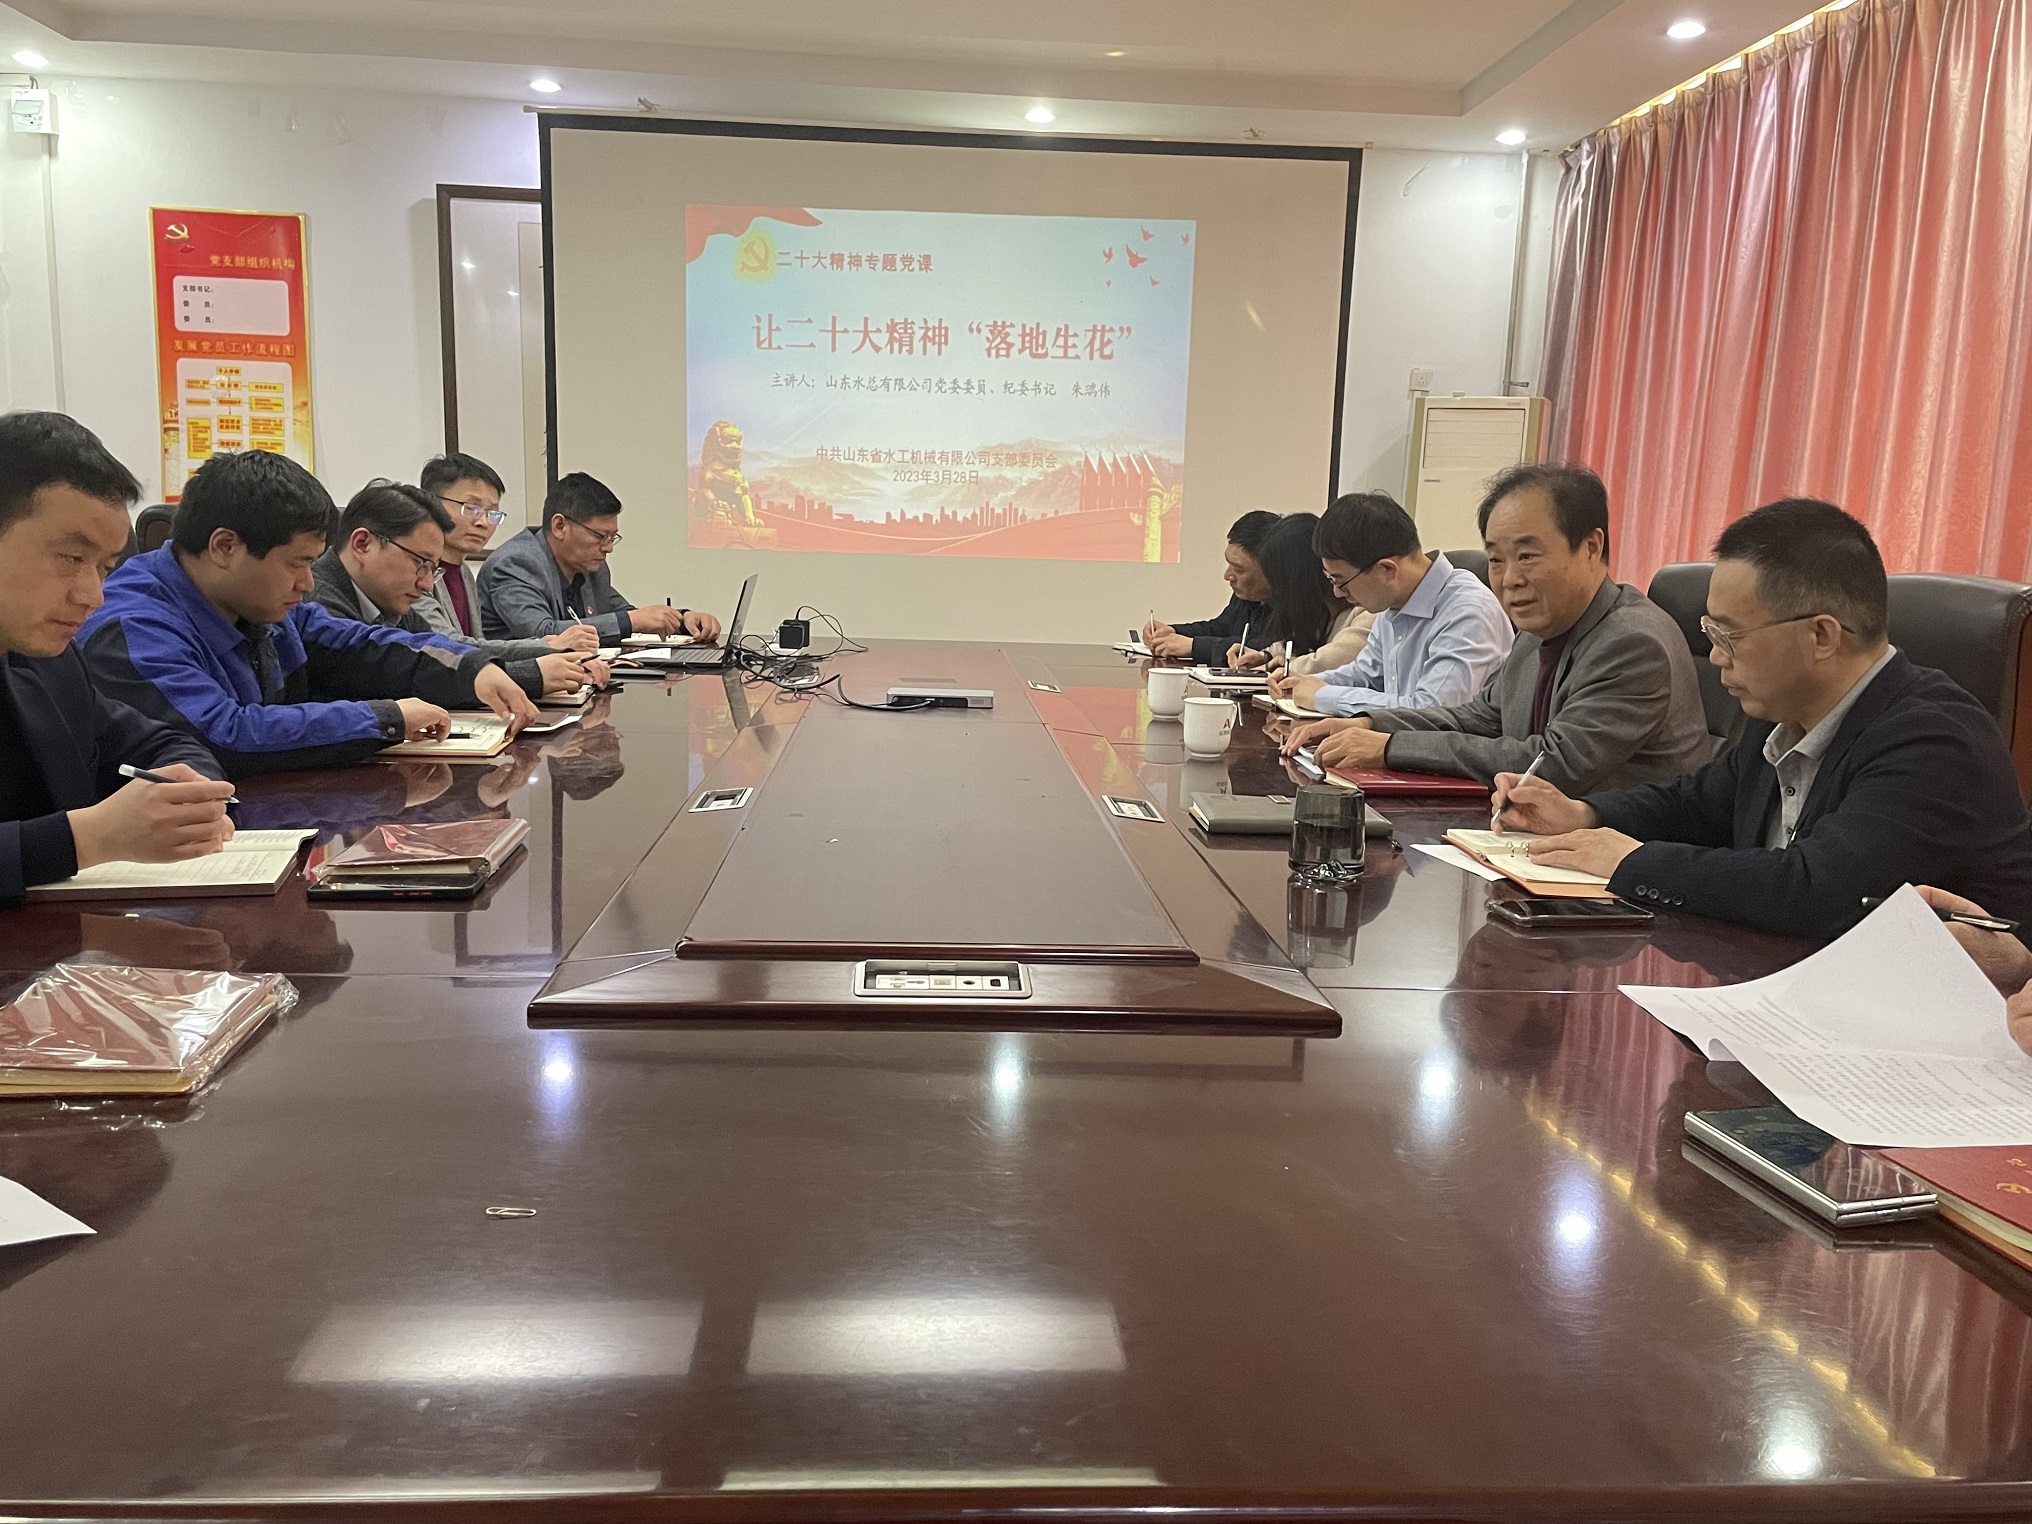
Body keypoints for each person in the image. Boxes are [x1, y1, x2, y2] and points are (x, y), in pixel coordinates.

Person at [1489, 498, 2032, 943]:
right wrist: (1583, 813)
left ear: (1822, 635)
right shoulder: (1782, 714)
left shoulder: (1934, 741)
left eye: (1728, 636)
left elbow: (1817, 891)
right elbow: (1697, 805)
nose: (1715, 656)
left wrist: (1632, 861)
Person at [80, 449, 536, 779]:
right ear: (225, 547)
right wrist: (382, 718)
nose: (308, 583)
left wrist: (472, 669)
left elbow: (359, 643)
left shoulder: (260, 606)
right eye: (297, 563)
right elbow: (224, 735)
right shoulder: (133, 626)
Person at [1284, 464, 1710, 791]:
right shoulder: (1537, 631)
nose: (1509, 579)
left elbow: (1553, 762)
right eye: (1496, 560)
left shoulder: (1631, 641)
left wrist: (1391, 746)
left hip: (1621, 856)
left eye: (1526, 556)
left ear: (1590, 547)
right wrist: (1369, 725)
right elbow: (1479, 717)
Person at [0, 411, 235, 902]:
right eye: (71, 558)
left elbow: (160, 744)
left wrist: (189, 797)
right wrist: (88, 838)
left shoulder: (49, 661)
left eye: (105, 567)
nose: (93, 596)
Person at [310, 480, 605, 698]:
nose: (427, 584)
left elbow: (440, 649)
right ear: (363, 544)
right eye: (420, 563)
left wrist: (558, 659)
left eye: (432, 568)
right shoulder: (316, 601)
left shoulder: (390, 602)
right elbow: (393, 675)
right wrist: (528, 674)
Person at [1270, 492, 1512, 715]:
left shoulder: (1468, 611)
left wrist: (1323, 696)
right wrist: (1304, 683)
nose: (1337, 593)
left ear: (1387, 569)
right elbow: (1365, 674)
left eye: (1341, 581)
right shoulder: (1395, 603)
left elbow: (1434, 711)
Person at [477, 471, 721, 644]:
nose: (608, 548)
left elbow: (624, 614)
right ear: (560, 526)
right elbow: (542, 634)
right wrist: (632, 620)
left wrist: (684, 620)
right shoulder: (516, 563)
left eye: (613, 537)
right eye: (600, 536)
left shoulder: (591, 568)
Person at [415, 452, 599, 657]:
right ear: (432, 504)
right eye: (472, 508)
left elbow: (478, 647)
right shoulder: (416, 571)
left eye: (492, 513)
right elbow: (447, 645)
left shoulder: (464, 572)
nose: (483, 522)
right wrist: (547, 646)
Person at [1239, 512, 1373, 674]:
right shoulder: (1324, 610)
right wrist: (1266, 656)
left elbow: (1331, 662)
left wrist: (1282, 665)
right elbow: (1297, 643)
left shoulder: (1368, 609)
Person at [1140, 510, 1277, 662]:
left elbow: (1268, 648)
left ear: (1271, 570)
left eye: (1238, 569)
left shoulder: (1294, 602)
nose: (1227, 576)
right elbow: (1221, 628)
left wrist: (1195, 647)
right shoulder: (1248, 594)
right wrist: (1173, 632)